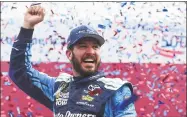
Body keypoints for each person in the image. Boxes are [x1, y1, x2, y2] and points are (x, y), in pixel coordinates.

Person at [9, 5, 137, 117]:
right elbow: (20, 71)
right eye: (83, 46)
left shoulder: (116, 90)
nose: (91, 51)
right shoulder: (59, 87)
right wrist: (27, 27)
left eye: (95, 47)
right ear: (69, 54)